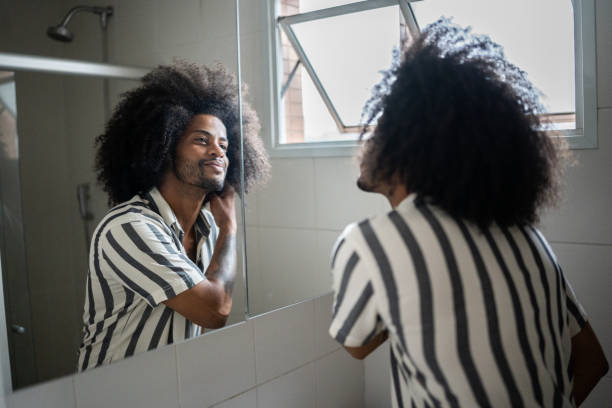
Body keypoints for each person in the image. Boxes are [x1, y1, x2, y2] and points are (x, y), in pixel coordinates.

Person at [329, 19, 608, 407]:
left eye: (383, 125)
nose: (368, 136)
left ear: (412, 148)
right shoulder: (528, 236)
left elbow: (355, 346)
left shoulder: (371, 243)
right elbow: (594, 361)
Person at [78, 62, 269, 371]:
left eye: (224, 144)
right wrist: (230, 227)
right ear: (164, 147)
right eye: (202, 140)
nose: (219, 152)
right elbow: (214, 310)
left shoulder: (206, 227)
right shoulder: (129, 228)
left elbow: (199, 329)